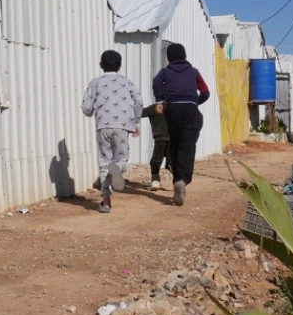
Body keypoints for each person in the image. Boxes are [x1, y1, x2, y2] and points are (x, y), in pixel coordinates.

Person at [82, 50, 143, 213]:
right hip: (123, 126)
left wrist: (92, 111)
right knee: (121, 159)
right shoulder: (127, 82)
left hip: (103, 126)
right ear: (120, 65)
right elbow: (139, 101)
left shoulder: (95, 83)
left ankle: (106, 203)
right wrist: (136, 121)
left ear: (101, 65)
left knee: (104, 163)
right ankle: (118, 168)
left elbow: (87, 108)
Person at [153, 44, 210, 206]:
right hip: (191, 111)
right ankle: (183, 180)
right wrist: (195, 103)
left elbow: (156, 82)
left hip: (173, 110)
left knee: (175, 146)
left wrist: (159, 100)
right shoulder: (194, 72)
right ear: (185, 56)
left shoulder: (165, 72)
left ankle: (177, 179)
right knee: (187, 147)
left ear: (169, 58)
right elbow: (205, 92)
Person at [141, 102, 170, 190]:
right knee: (172, 161)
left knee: (156, 160)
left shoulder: (155, 107)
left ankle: (155, 181)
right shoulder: (175, 106)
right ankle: (178, 181)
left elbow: (140, 113)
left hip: (160, 138)